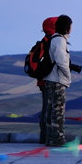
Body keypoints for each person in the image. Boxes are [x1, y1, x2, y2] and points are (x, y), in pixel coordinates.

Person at [43, 15, 73, 147]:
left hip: (50, 79)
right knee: (58, 111)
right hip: (58, 80)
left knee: (51, 109)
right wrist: (68, 75)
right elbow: (61, 61)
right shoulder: (60, 41)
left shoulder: (53, 39)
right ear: (67, 27)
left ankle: (50, 138)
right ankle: (58, 139)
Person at [36, 16, 58, 145]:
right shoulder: (52, 42)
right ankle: (47, 138)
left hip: (43, 80)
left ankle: (44, 137)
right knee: (49, 110)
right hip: (49, 80)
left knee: (46, 108)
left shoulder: (44, 41)